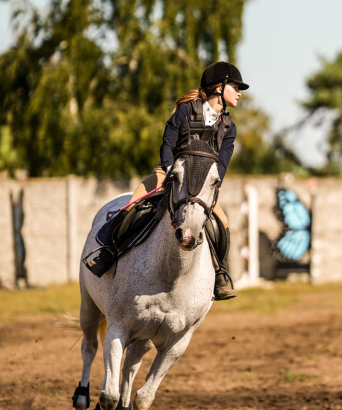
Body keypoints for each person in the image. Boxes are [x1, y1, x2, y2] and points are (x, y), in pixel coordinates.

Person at [85, 61, 249, 301]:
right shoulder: (186, 111)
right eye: (235, 86)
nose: (239, 92)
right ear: (218, 87)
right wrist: (172, 172)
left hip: (203, 184)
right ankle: (107, 254)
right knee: (132, 204)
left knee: (222, 223)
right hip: (169, 172)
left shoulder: (229, 126)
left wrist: (212, 187)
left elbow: (222, 163)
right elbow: (168, 144)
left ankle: (220, 271)